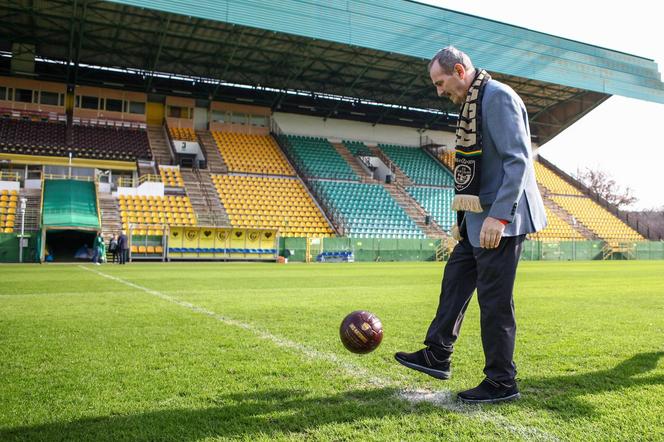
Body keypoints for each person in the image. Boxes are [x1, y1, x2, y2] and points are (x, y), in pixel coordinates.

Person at [395, 46, 547, 404]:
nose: (439, 91)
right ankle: (437, 353)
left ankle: (501, 381)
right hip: (477, 219)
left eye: (440, 82)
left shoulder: (497, 98)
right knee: (455, 280)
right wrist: (464, 220)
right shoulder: (473, 103)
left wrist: (499, 216)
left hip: (501, 220)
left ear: (459, 70)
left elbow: (518, 160)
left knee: (494, 301)